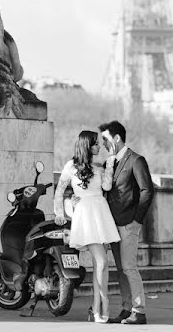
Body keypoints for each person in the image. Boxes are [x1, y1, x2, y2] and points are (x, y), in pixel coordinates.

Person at [53, 130, 120, 323]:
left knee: (103, 266)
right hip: (85, 216)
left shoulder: (99, 166)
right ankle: (102, 306)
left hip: (101, 213)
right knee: (102, 262)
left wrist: (111, 162)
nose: (99, 147)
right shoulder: (71, 166)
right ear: (86, 145)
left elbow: (107, 187)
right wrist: (60, 213)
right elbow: (60, 190)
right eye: (95, 143)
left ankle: (96, 308)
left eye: (99, 143)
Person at [99, 120, 153, 325]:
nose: (103, 143)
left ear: (117, 138)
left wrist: (136, 220)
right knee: (121, 269)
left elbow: (147, 191)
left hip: (129, 223)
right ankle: (126, 308)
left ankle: (139, 311)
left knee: (129, 267)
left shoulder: (136, 160)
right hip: (112, 225)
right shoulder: (108, 163)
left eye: (105, 139)